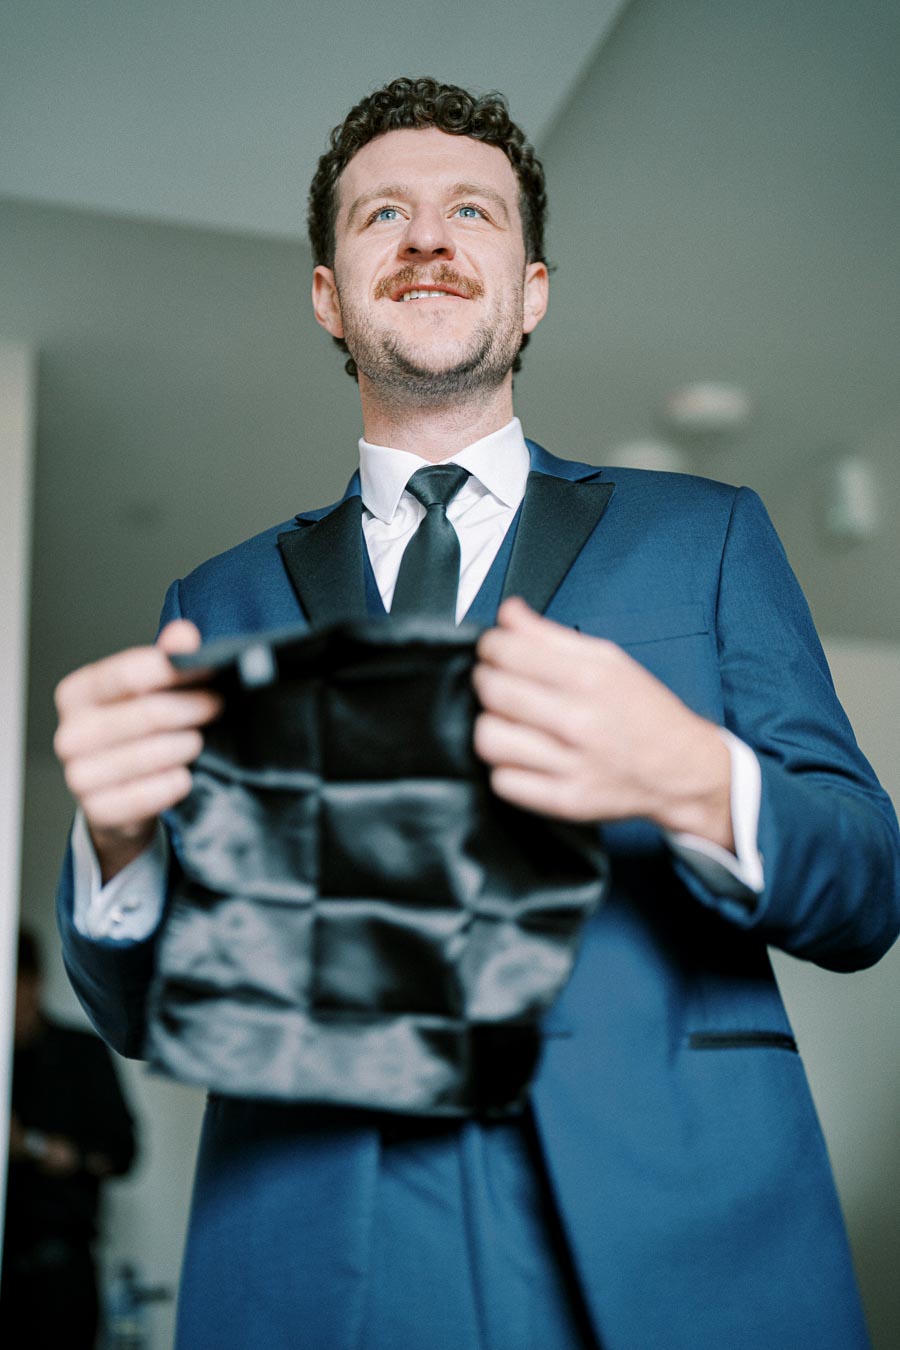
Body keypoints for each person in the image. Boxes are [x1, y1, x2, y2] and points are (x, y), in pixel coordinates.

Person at [53, 77, 900, 1349]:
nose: (430, 237)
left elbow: (867, 886)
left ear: (532, 287)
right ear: (332, 294)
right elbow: (138, 1005)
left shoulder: (710, 538)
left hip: (665, 1234)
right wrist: (116, 853)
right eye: (382, 213)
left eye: (473, 211)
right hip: (319, 1244)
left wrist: (691, 777)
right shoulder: (213, 601)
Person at [2, 929, 136, 1349]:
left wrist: (33, 1147)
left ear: (33, 981)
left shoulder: (81, 1054)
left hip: (61, 1280)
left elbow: (123, 1153)